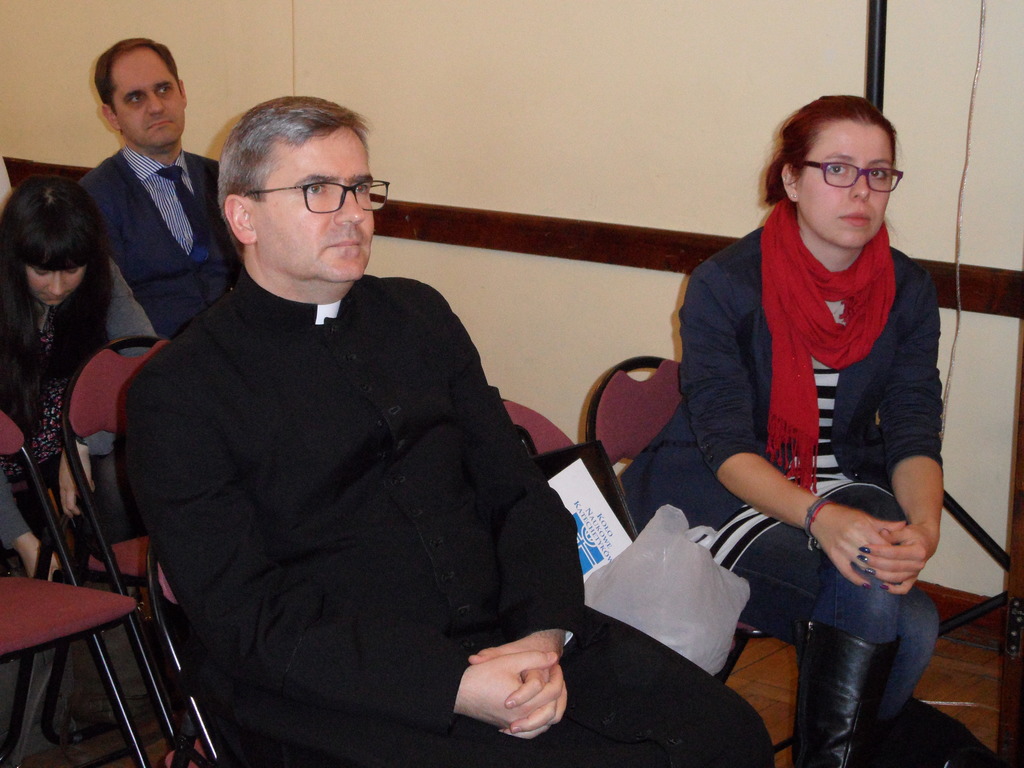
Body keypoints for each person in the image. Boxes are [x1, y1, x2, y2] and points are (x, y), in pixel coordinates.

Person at [126, 96, 773, 768]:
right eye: (318, 190)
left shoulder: (417, 314)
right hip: (337, 685)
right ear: (243, 216)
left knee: (726, 734)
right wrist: (454, 685)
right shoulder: (181, 390)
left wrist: (542, 634)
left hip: (510, 632)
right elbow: (246, 616)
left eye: (360, 188)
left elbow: (519, 491)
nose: (353, 214)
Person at [622, 96, 1005, 768]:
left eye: (878, 173)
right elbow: (723, 444)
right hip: (716, 490)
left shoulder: (907, 288)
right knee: (899, 616)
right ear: (792, 180)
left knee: (903, 616)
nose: (861, 190)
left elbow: (914, 425)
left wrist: (926, 528)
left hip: (839, 482)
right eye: (838, 168)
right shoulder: (725, 284)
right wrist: (822, 519)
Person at [0, 175, 154, 578]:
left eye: (71, 270)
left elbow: (141, 360)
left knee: (121, 481)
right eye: (41, 271)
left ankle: (124, 589)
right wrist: (23, 541)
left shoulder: (102, 274)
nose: (56, 288)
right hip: (7, 442)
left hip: (63, 431)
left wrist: (82, 441)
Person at [80, 38, 237, 338]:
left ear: (183, 92)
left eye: (164, 89)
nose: (155, 106)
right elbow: (103, 311)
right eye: (135, 98)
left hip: (237, 345)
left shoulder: (222, 178)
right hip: (152, 358)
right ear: (111, 116)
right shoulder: (93, 199)